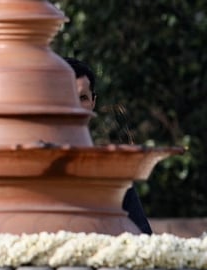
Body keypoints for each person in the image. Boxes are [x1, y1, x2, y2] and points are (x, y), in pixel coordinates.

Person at [65, 56, 153, 234]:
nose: (76, 107)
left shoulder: (112, 172)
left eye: (83, 98)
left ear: (93, 102)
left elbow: (144, 238)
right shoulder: (31, 166)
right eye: (67, 97)